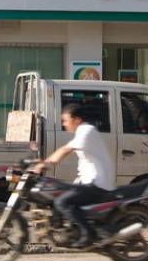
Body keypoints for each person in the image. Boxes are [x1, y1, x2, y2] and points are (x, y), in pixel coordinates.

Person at [33, 103, 115, 248]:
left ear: (77, 119)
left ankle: (88, 234)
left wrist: (45, 163)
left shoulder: (87, 131)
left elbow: (65, 150)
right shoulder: (83, 131)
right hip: (87, 181)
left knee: (62, 202)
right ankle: (67, 232)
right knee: (57, 192)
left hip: (97, 183)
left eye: (65, 120)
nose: (64, 124)